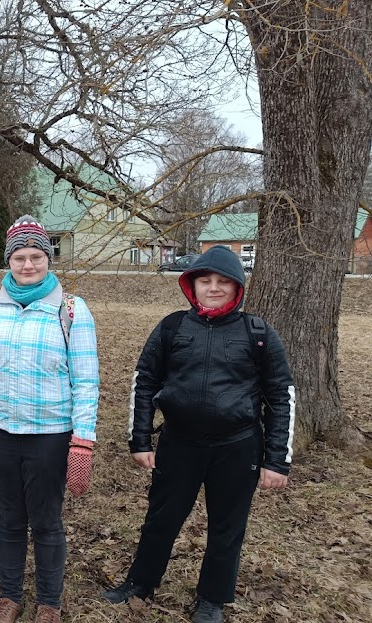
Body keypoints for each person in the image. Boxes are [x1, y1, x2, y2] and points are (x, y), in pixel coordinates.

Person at [102, 245, 294, 623]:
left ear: (237, 287)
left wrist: (277, 460)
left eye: (224, 281)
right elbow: (144, 382)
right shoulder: (172, 327)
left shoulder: (258, 333)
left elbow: (281, 396)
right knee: (161, 518)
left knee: (227, 526)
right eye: (206, 280)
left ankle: (212, 599)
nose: (214, 288)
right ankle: (140, 583)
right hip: (180, 443)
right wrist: (140, 440)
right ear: (192, 285)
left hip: (237, 446)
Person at [0, 215, 100, 623]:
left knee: (45, 521)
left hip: (50, 437)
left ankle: (48, 602)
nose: (27, 265)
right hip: (2, 432)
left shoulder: (71, 310)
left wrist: (82, 441)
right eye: (19, 257)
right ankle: (9, 596)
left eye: (36, 256)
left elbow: (87, 381)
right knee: (9, 518)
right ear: (9, 261)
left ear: (48, 259)